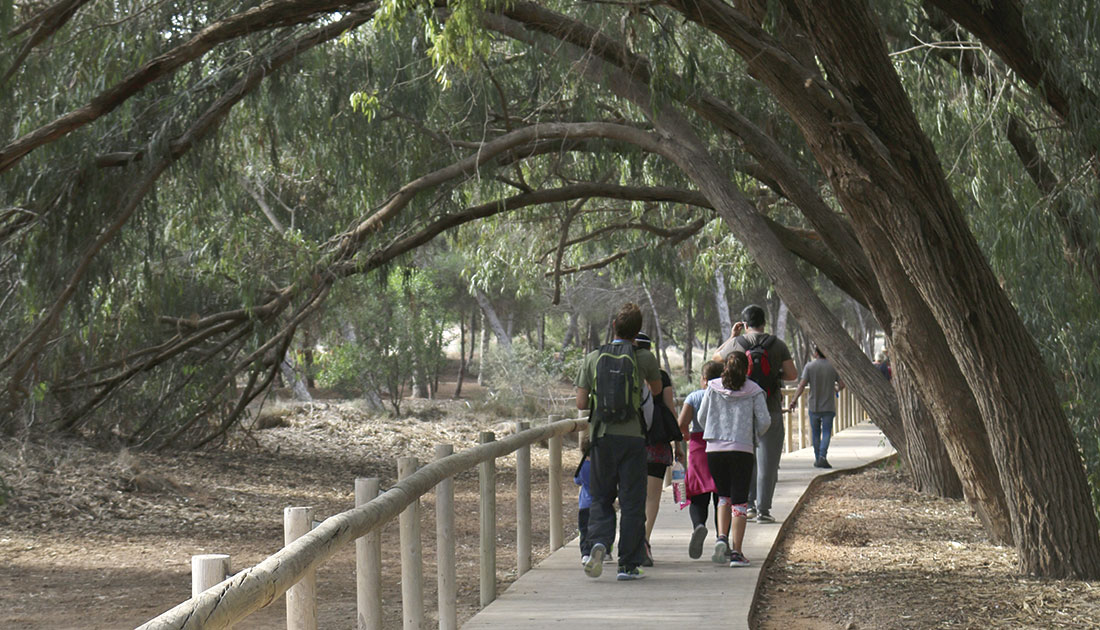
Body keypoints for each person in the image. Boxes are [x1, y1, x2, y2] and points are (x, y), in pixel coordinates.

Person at [575, 302, 662, 581]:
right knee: (633, 500)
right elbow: (657, 391)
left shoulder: (593, 357)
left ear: (613, 325)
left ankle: (599, 542)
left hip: (602, 437)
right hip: (634, 439)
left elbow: (580, 402)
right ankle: (628, 564)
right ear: (637, 332)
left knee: (601, 496)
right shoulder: (644, 358)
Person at [714, 304, 797, 523]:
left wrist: (732, 336)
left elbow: (715, 360)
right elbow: (792, 374)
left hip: (742, 410)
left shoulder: (737, 343)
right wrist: (774, 375)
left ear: (744, 324)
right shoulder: (777, 344)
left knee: (745, 458)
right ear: (764, 323)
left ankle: (747, 505)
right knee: (768, 461)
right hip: (770, 406)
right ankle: (764, 511)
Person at [696, 352, 771, 567]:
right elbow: (765, 421)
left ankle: (722, 537)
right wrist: (752, 432)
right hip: (741, 448)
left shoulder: (712, 387)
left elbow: (701, 417)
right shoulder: (754, 390)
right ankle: (737, 552)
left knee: (723, 496)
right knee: (740, 500)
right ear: (747, 368)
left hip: (714, 449)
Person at [634, 333, 677, 567]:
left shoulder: (622, 374)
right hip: (656, 444)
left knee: (630, 495)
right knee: (651, 497)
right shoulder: (660, 376)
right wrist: (678, 444)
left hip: (627, 442)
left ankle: (619, 540)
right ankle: (644, 541)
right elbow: (670, 409)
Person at [677, 359, 725, 559]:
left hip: (698, 446)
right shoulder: (726, 395)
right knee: (722, 495)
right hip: (722, 445)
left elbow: (681, 424)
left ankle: (699, 525)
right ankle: (722, 540)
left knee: (698, 494)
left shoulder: (694, 396)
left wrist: (687, 437)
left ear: (703, 380)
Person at [788, 347, 845, 468]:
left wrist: (794, 400)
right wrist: (836, 389)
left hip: (814, 406)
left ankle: (817, 458)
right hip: (829, 406)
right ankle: (822, 457)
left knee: (815, 433)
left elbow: (802, 385)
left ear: (816, 353)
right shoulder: (832, 366)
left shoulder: (810, 366)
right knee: (826, 432)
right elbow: (842, 384)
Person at [574, 437, 594, 565]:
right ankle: (604, 550)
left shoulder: (583, 467)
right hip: (599, 503)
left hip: (584, 504)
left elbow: (577, 481)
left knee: (584, 530)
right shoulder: (601, 466)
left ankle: (585, 554)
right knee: (598, 528)